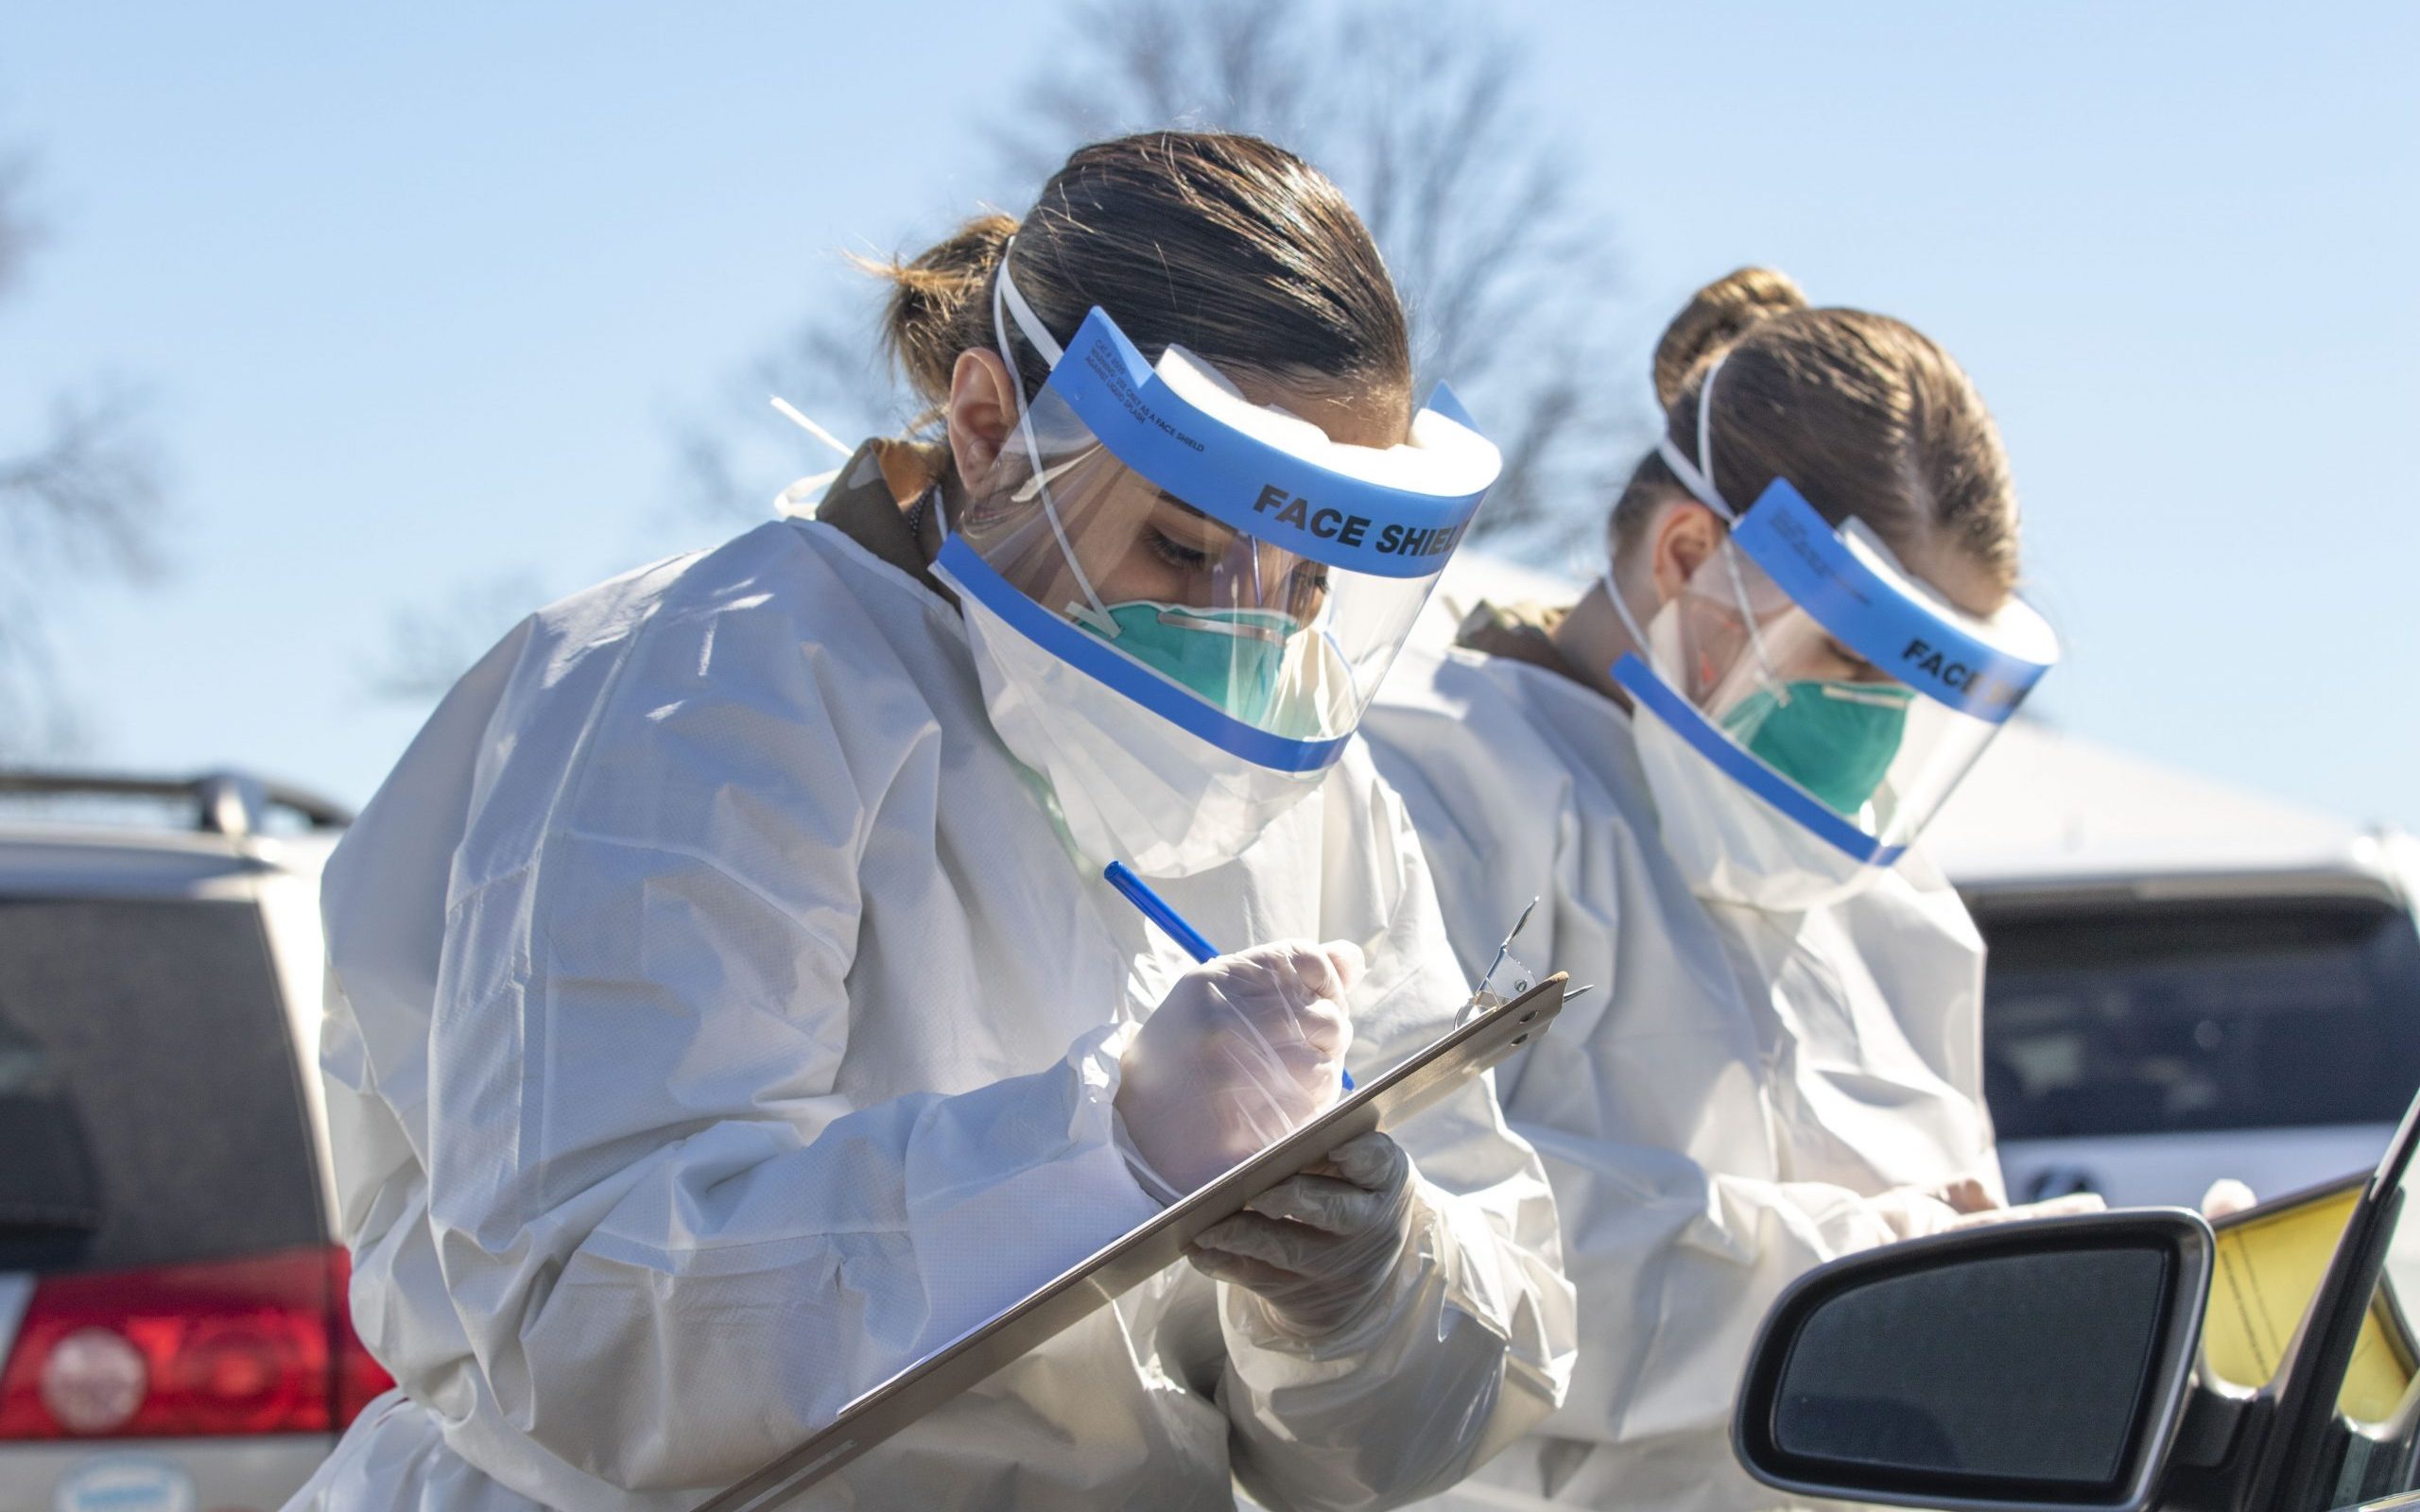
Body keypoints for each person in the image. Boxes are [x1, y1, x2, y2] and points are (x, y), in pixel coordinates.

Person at [288, 131, 1574, 1512]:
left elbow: (1438, 1421)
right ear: (985, 424)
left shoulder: (1315, 804)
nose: (1243, 629)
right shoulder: (710, 683)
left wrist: (1363, 1288)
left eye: (1310, 586)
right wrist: (1104, 1150)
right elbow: (594, 1330)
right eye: (1190, 552)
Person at [1362, 268, 2089, 1511]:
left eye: (1909, 688)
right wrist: (1884, 1280)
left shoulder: (1895, 912)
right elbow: (1426, 1251)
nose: (1872, 722)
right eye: (1852, 658)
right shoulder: (1434, 781)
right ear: (1691, 555)